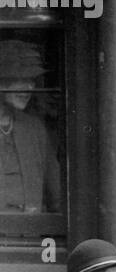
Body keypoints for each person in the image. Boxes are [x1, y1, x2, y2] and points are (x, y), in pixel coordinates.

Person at [0, 39, 60, 214]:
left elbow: (57, 197)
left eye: (32, 80)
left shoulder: (34, 128)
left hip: (30, 235)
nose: (29, 88)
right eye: (20, 79)